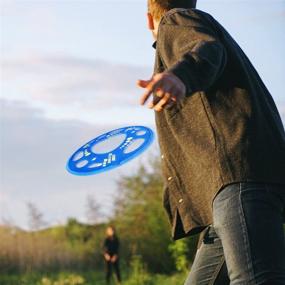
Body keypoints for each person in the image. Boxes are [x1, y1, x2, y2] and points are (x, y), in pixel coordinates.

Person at [137, 0, 285, 284]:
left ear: (148, 19)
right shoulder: (206, 27)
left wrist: (180, 75)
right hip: (227, 198)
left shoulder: (175, 20)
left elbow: (205, 49)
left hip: (239, 182)